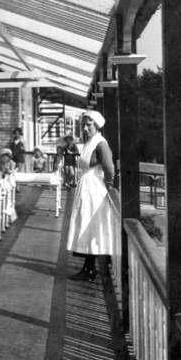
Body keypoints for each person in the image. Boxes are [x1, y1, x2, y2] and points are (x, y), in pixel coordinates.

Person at [66, 110, 117, 281]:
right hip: (86, 187)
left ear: (96, 125)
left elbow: (110, 169)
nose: (86, 128)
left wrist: (108, 188)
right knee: (85, 225)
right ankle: (88, 267)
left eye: (89, 125)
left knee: (91, 225)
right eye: (84, 125)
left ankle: (90, 269)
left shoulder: (101, 143)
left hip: (95, 190)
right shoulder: (89, 142)